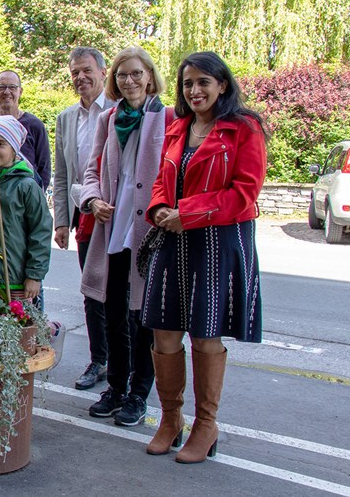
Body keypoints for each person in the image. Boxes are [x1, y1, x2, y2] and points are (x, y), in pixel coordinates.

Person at [142, 51, 267, 463]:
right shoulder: (179, 127)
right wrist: (161, 209)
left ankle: (206, 425)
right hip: (173, 238)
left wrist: (188, 213)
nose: (194, 91)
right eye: (188, 83)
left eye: (203, 83)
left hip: (217, 240)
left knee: (205, 332)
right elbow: (163, 181)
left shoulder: (244, 128)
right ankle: (170, 419)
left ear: (222, 85)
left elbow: (244, 193)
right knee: (163, 331)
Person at [79, 46, 168, 428]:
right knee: (113, 311)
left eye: (135, 74)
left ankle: (138, 393)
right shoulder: (109, 118)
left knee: (143, 318)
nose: (128, 81)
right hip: (113, 227)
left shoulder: (169, 117)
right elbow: (90, 170)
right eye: (121, 75)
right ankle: (115, 386)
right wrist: (93, 199)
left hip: (149, 229)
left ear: (149, 76)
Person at [53, 47, 118, 391]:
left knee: (120, 293)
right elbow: (62, 174)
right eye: (75, 72)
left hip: (118, 216)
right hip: (86, 216)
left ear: (103, 72)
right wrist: (62, 220)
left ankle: (127, 365)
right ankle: (99, 360)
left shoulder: (120, 109)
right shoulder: (67, 118)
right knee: (92, 291)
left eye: (86, 70)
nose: (80, 78)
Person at [0, 116, 52, 307]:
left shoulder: (26, 186)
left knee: (16, 327)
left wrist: (34, 275)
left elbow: (40, 230)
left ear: (13, 148)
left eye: (0, 144)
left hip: (15, 276)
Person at [0, 70, 52, 190]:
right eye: (1, 87)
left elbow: (44, 167)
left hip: (26, 196)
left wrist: (37, 196)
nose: (7, 91)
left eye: (12, 87)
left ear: (20, 91)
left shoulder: (34, 125)